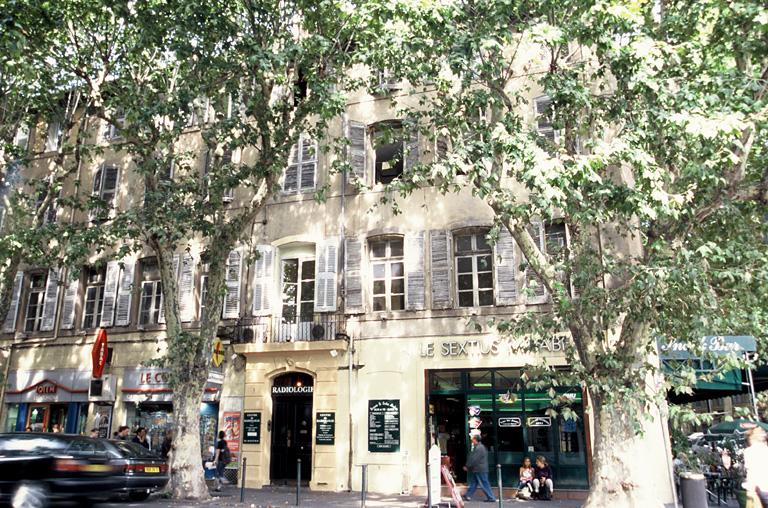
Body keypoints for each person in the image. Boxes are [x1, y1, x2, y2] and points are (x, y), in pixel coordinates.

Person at [462, 434, 496, 502]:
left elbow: (474, 459)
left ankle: (491, 497)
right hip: (480, 468)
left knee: (484, 483)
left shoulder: (479, 448)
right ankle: (468, 495)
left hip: (480, 469)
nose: (472, 440)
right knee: (474, 482)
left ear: (475, 440)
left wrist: (467, 466)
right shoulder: (480, 447)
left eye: (473, 439)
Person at [744, 427, 768, 508]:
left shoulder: (749, 451)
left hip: (760, 488)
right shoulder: (766, 449)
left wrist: (750, 487)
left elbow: (751, 472)